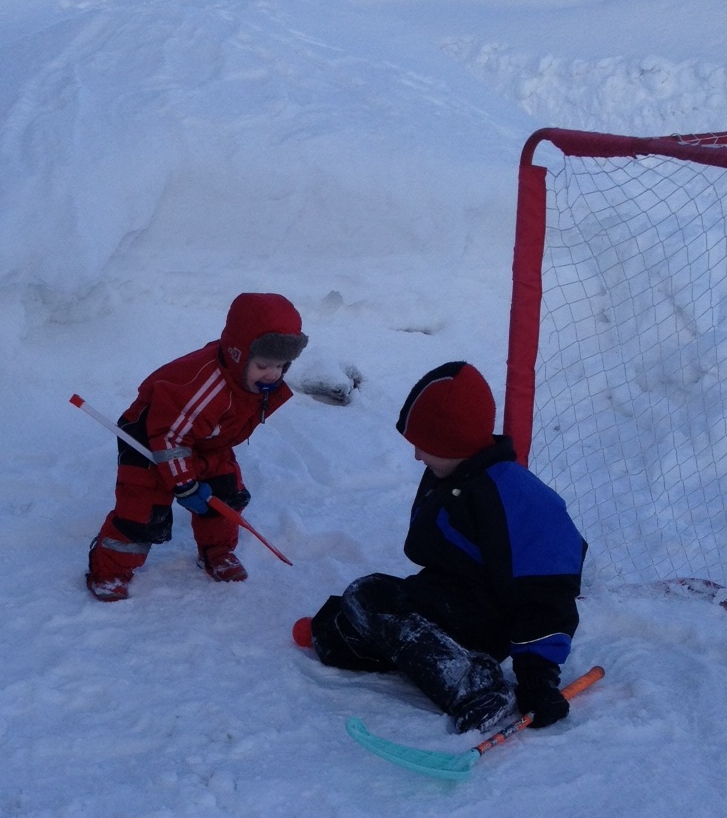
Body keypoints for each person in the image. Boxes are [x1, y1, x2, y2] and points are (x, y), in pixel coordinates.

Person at [300, 361, 586, 733]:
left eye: (425, 446)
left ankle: (475, 690)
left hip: (492, 620)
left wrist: (538, 679)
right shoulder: (459, 472)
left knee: (371, 594)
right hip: (457, 601)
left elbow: (549, 594)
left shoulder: (517, 497)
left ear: (456, 442)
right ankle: (387, 640)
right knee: (339, 631)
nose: (417, 456)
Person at [86, 293, 307, 601]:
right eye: (263, 365)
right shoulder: (207, 387)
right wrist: (185, 484)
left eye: (282, 365)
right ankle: (109, 569)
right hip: (150, 439)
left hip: (206, 440)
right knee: (142, 512)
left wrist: (198, 478)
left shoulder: (249, 382)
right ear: (236, 353)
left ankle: (216, 552)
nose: (273, 374)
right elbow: (169, 437)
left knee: (226, 494)